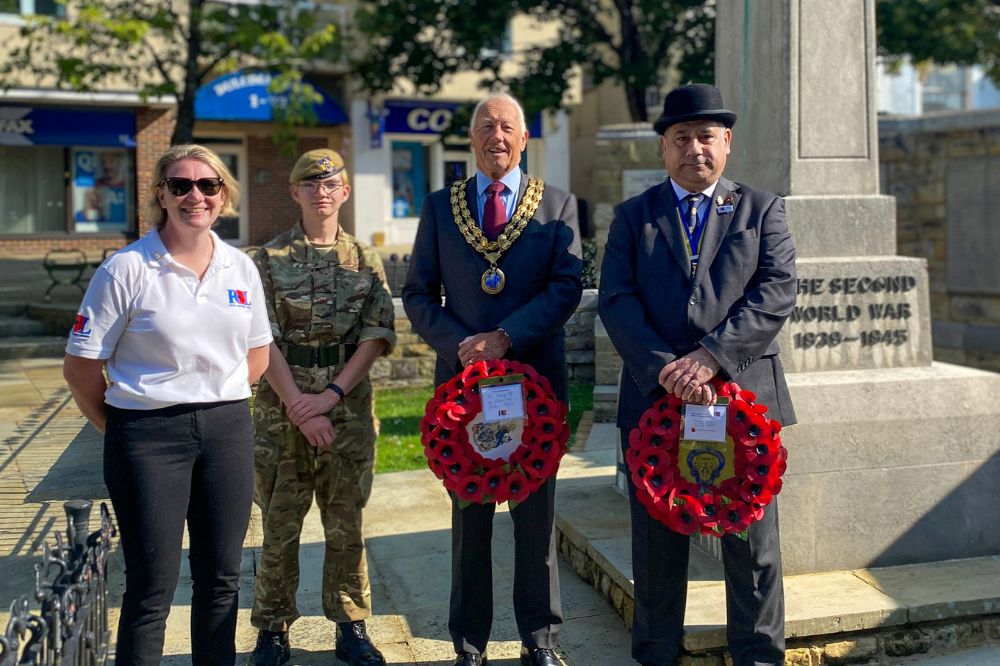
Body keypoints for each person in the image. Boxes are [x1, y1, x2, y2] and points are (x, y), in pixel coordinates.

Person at [598, 83, 797, 666]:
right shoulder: (634, 217)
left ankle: (758, 655)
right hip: (656, 404)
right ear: (664, 147)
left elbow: (776, 292)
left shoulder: (762, 210)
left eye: (706, 136)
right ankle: (657, 653)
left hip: (742, 404)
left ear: (727, 143)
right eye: (681, 138)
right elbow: (617, 300)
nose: (694, 149)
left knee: (751, 545)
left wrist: (711, 357)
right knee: (657, 544)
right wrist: (668, 371)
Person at [62, 144, 272, 665]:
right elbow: (81, 368)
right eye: (180, 185)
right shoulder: (125, 270)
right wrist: (123, 428)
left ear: (224, 196)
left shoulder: (240, 268)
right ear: (161, 194)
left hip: (226, 430)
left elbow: (258, 355)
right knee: (152, 589)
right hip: (147, 436)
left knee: (222, 579)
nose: (194, 196)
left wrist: (212, 393)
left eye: (208, 185)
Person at [402, 92, 583, 666]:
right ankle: (469, 644)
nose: (495, 136)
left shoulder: (557, 207)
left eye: (507, 127)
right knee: (469, 523)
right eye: (485, 127)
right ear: (472, 138)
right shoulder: (439, 206)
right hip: (464, 394)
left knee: (536, 523)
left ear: (525, 138)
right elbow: (417, 293)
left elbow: (565, 288)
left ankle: (539, 640)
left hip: (534, 388)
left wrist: (506, 338)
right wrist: (462, 347)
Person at [249, 149, 396, 666]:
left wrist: (329, 399)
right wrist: (299, 407)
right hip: (280, 412)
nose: (321, 191)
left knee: (345, 522)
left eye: (331, 183)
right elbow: (259, 339)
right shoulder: (266, 260)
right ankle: (272, 630)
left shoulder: (365, 259)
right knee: (279, 524)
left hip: (348, 409)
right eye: (309, 184)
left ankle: (351, 625)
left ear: (345, 192)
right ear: (294, 193)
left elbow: (377, 335)